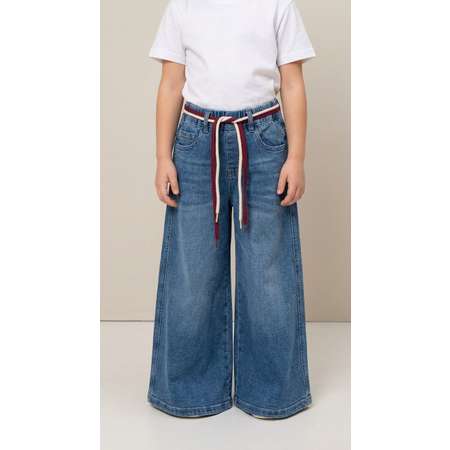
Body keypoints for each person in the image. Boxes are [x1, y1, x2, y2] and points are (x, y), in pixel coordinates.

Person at [147, 0, 315, 419]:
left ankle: (273, 393)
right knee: (192, 271)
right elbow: (171, 83)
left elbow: (292, 82)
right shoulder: (183, 7)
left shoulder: (277, 5)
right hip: (196, 143)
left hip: (263, 141)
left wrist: (295, 157)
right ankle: (188, 392)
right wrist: (163, 157)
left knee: (268, 273)